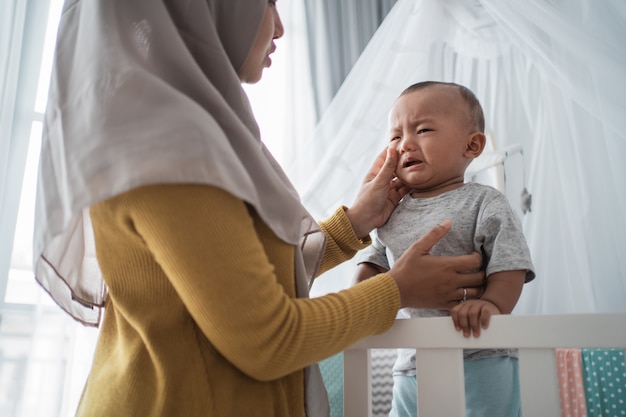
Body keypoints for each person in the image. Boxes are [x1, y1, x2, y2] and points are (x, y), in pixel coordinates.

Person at [32, 3, 486, 417]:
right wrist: (395, 291)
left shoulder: (186, 132)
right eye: (268, 2)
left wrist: (355, 224)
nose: (281, 27)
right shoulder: (174, 152)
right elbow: (269, 339)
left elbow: (243, 279)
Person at [352, 81, 535, 417]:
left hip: (480, 352)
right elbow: (373, 266)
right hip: (411, 362)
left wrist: (492, 304)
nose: (405, 144)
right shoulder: (391, 210)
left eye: (422, 129)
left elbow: (510, 263)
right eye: (395, 137)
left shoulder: (485, 201)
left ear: (472, 145)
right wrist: (364, 286)